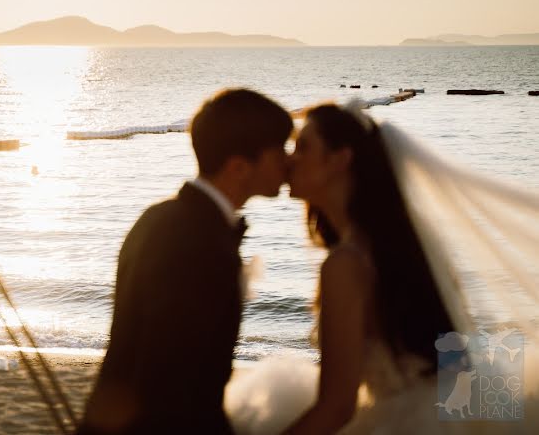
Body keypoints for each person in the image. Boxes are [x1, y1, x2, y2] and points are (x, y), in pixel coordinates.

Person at [225, 103, 458, 434]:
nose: (290, 159)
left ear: (340, 159)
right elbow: (458, 355)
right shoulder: (404, 248)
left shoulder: (346, 263)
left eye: (303, 147)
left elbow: (337, 408)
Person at [78, 89, 293, 435]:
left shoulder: (159, 216)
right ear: (239, 166)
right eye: (280, 149)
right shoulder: (200, 246)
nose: (288, 161)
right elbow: (170, 381)